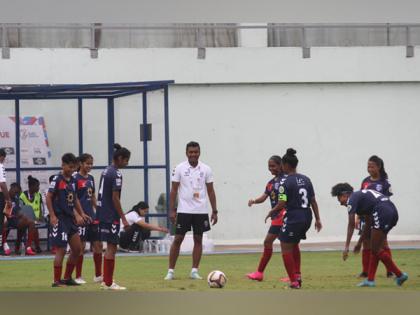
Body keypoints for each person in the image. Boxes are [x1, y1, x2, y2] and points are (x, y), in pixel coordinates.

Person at [331, 183, 408, 287]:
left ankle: (400, 274)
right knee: (375, 247)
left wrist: (346, 247)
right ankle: (370, 280)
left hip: (382, 211)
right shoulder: (362, 198)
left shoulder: (352, 199)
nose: (340, 203)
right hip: (392, 211)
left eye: (339, 199)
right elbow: (368, 224)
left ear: (345, 195)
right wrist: (359, 243)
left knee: (376, 248)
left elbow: (351, 224)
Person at [266, 148, 322, 289]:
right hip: (307, 217)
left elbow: (281, 203)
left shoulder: (285, 183)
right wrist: (318, 219)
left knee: (285, 247)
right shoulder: (306, 179)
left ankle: (293, 281)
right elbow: (313, 201)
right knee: (293, 244)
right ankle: (297, 276)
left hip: (294, 217)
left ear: (285, 165)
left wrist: (271, 211)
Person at [164, 141, 218, 281]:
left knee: (198, 239)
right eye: (191, 152)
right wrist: (171, 210)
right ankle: (170, 271)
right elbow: (174, 190)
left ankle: (194, 271)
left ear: (199, 153)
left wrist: (215, 210)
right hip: (184, 211)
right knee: (178, 239)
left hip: (200, 210)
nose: (193, 154)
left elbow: (211, 191)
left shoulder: (206, 169)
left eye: (196, 152)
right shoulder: (179, 168)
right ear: (186, 153)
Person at [46, 153, 90, 287]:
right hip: (60, 219)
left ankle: (67, 278)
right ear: (63, 165)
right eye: (70, 167)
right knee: (61, 250)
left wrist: (81, 213)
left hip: (70, 219)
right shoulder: (57, 180)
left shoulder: (73, 181)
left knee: (77, 249)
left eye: (74, 167)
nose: (72, 170)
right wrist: (53, 216)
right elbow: (48, 197)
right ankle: (56, 281)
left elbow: (75, 198)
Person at [96, 143, 131, 290]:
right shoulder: (116, 174)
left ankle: (106, 280)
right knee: (112, 247)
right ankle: (109, 283)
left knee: (109, 247)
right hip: (110, 215)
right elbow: (115, 198)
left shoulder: (106, 171)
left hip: (102, 213)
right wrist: (123, 217)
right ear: (120, 158)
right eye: (126, 160)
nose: (127, 163)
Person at [246, 155, 286, 281]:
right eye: (269, 166)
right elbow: (264, 197)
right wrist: (254, 200)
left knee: (271, 242)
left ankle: (260, 273)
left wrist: (272, 211)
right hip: (276, 217)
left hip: (283, 216)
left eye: (273, 166)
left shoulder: (285, 181)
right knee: (287, 245)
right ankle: (294, 275)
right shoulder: (271, 183)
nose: (270, 168)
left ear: (281, 165)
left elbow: (283, 201)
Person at [358, 155, 394, 278]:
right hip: (366, 217)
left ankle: (390, 270)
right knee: (366, 243)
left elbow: (387, 200)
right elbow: (361, 199)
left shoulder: (384, 182)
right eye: (368, 166)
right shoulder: (365, 181)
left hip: (380, 216)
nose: (369, 169)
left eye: (372, 166)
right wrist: (358, 216)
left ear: (378, 167)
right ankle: (365, 271)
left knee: (383, 243)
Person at [73, 153, 102, 284]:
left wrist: (99, 211)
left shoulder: (90, 178)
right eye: (87, 163)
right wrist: (78, 215)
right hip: (81, 218)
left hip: (92, 217)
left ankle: (98, 275)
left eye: (91, 163)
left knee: (98, 245)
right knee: (81, 247)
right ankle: (78, 276)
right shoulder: (74, 178)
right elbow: (72, 198)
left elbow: (93, 196)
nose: (90, 166)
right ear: (80, 164)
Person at [5, 183, 38, 255]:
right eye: (15, 192)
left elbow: (18, 211)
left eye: (17, 193)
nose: (16, 194)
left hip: (14, 219)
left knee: (30, 222)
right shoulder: (4, 197)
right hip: (5, 219)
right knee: (5, 222)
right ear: (11, 188)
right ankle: (4, 245)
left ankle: (28, 247)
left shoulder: (16, 199)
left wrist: (21, 215)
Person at [20, 175, 45, 253]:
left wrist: (41, 216)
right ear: (31, 186)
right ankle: (32, 246)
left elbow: (41, 208)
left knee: (35, 225)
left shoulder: (38, 195)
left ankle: (34, 247)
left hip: (37, 219)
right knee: (33, 225)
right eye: (37, 186)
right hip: (26, 219)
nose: (38, 188)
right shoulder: (23, 196)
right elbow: (21, 209)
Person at [0, 148, 12, 256]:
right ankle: (0, 247)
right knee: (1, 223)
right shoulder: (0, 166)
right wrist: (8, 199)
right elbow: (2, 184)